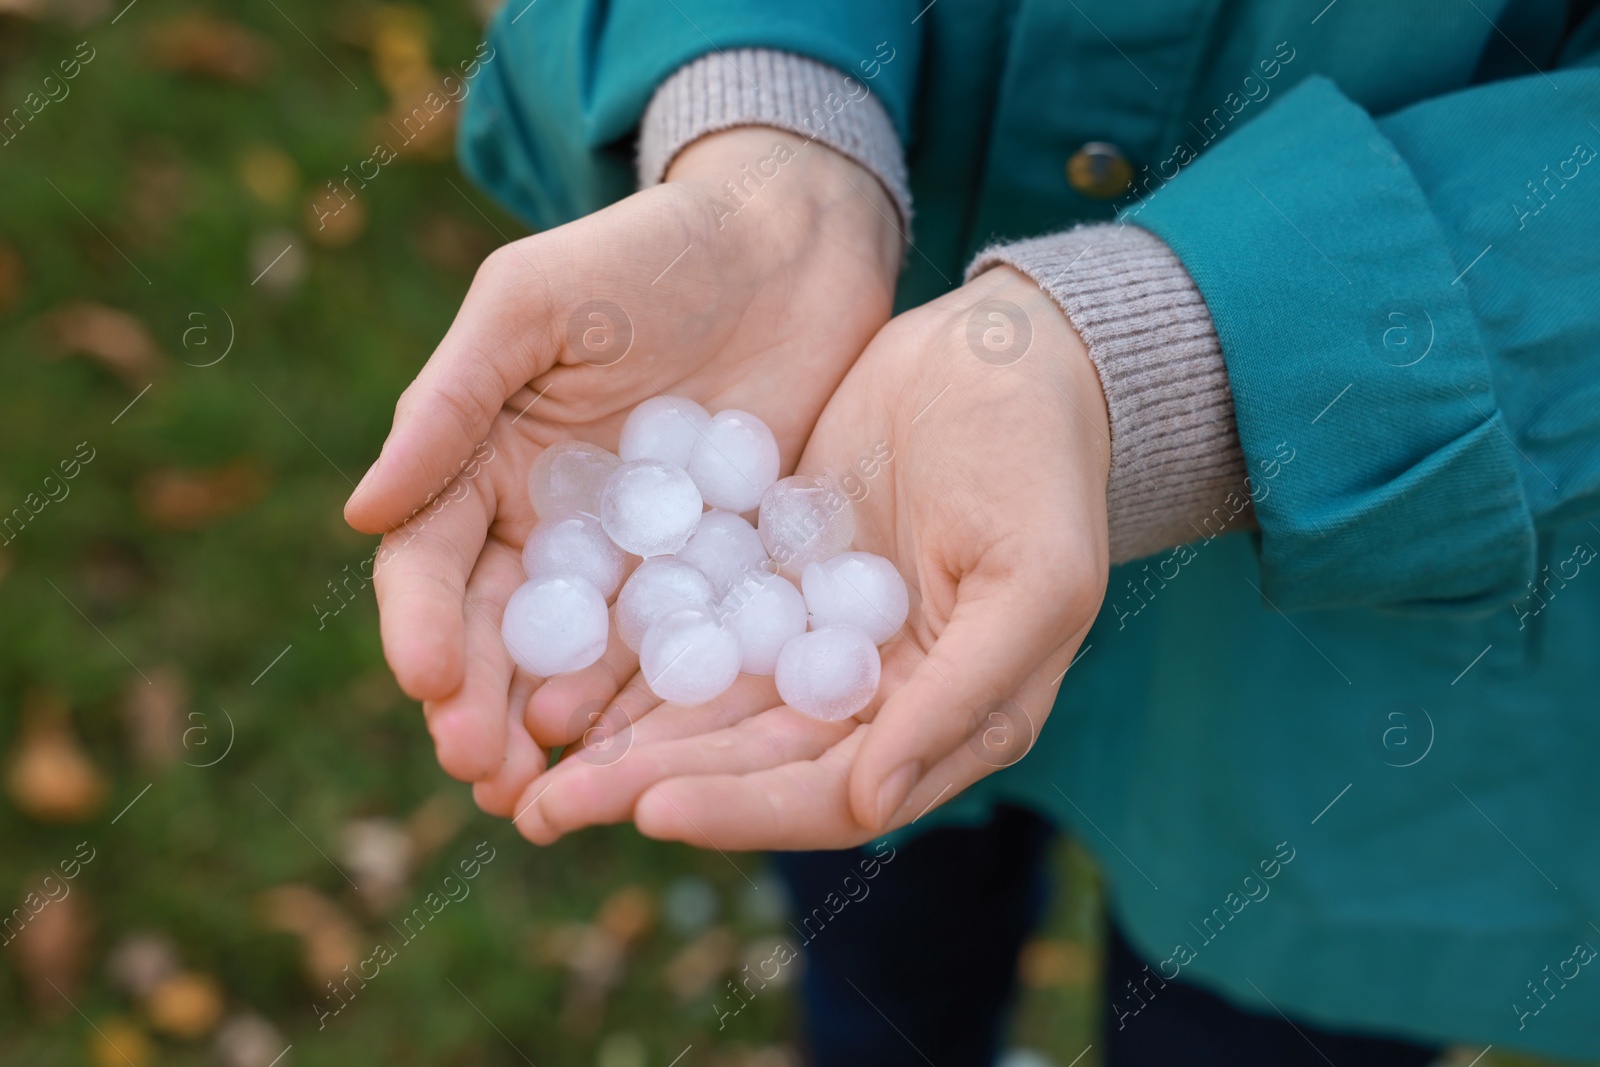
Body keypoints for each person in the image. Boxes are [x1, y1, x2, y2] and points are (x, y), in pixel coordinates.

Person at [344, 1, 1600, 1063]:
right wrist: (766, 120)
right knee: (881, 948)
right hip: (871, 428)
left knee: (1256, 1008)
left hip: (1402, 671)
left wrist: (1169, 351)